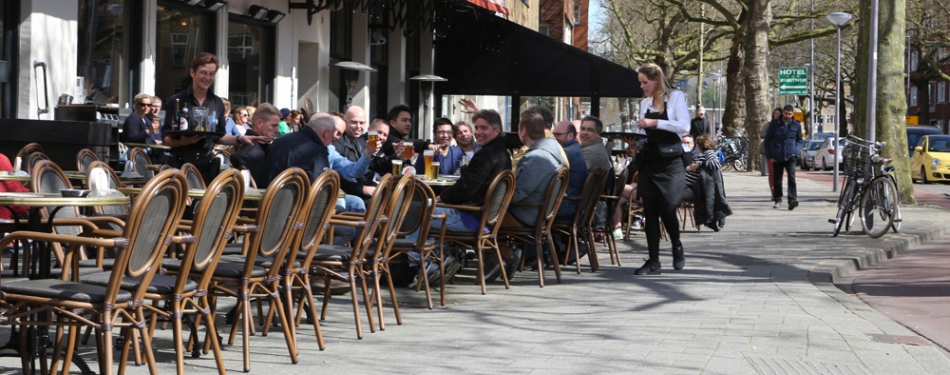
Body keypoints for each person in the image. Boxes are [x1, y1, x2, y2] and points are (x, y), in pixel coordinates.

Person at [410, 109, 512, 283]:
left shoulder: (486, 155)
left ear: (496, 131)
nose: (478, 132)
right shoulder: (502, 153)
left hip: (469, 218)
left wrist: (441, 198)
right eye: (477, 128)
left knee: (411, 213)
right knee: (423, 211)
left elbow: (465, 189)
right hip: (485, 218)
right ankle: (444, 258)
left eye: (484, 128)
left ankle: (422, 265)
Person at [162, 52, 266, 184]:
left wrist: (240, 139)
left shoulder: (216, 103)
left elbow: (220, 136)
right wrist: (185, 142)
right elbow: (165, 139)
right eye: (203, 72)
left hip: (206, 167)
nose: (207, 77)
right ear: (192, 72)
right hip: (179, 166)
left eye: (211, 74)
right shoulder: (176, 101)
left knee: (204, 205)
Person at [627, 62, 690, 275]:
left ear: (656, 81)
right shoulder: (645, 103)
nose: (642, 87)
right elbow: (645, 135)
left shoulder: (675, 97)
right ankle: (653, 261)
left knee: (668, 209)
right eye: (640, 83)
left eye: (645, 82)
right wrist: (634, 142)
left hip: (671, 163)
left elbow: (684, 126)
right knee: (650, 212)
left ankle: (676, 245)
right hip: (650, 162)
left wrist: (655, 123)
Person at [685, 135, 732, 231]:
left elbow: (716, 164)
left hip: (691, 186)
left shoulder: (709, 153)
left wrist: (699, 164)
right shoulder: (704, 154)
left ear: (700, 146)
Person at [763, 105, 803, 210]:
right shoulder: (774, 124)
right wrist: (770, 155)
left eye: (790, 114)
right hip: (777, 155)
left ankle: (792, 200)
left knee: (792, 177)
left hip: (791, 155)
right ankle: (778, 200)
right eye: (786, 113)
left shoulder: (797, 125)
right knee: (777, 179)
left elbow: (799, 140)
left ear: (793, 113)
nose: (788, 116)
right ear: (783, 113)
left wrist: (796, 152)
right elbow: (767, 141)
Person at [230, 103, 281, 186]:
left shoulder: (262, 148)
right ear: (260, 123)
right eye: (273, 126)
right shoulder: (251, 155)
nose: (277, 131)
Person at [552, 120, 588, 219]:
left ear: (570, 135)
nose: (555, 138)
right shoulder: (576, 148)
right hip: (573, 204)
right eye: (553, 134)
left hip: (566, 207)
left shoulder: (567, 153)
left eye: (558, 134)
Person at [760, 108, 782, 196]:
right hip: (770, 151)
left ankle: (778, 188)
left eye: (778, 113)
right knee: (772, 172)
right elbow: (761, 134)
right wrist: (770, 135)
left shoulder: (784, 125)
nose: (776, 115)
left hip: (781, 152)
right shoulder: (768, 125)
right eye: (775, 113)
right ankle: (773, 190)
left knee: (780, 173)